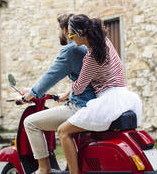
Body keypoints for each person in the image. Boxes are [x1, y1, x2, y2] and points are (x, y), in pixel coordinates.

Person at [57, 14, 142, 174]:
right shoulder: (104, 42)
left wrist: (67, 92)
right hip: (124, 97)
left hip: (108, 102)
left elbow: (79, 87)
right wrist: (69, 92)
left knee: (63, 131)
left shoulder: (91, 58)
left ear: (80, 33)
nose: (70, 38)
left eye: (71, 34)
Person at [21, 13, 96, 174]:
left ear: (65, 29)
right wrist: (68, 93)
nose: (58, 33)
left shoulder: (70, 50)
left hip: (80, 106)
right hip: (92, 103)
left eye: (58, 29)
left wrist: (31, 94)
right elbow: (84, 77)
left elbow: (50, 77)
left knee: (30, 123)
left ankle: (44, 168)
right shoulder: (84, 47)